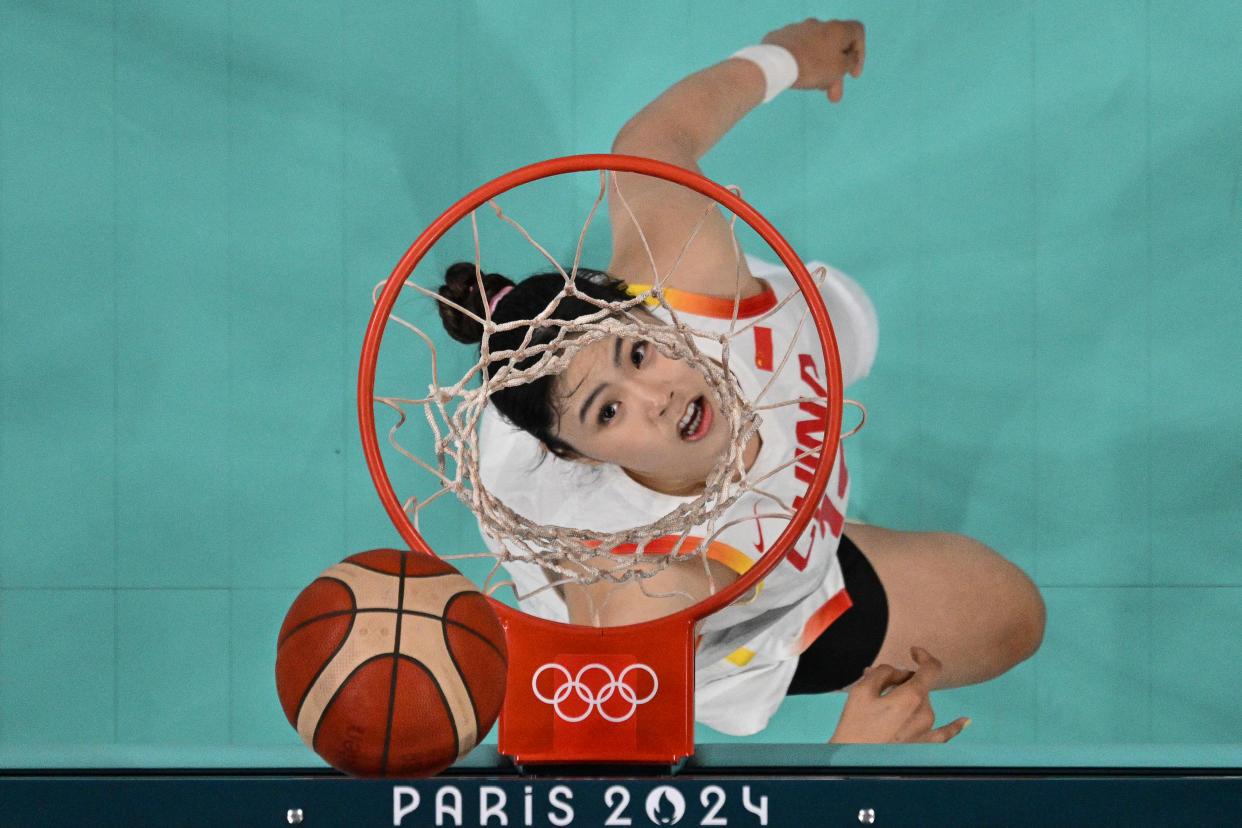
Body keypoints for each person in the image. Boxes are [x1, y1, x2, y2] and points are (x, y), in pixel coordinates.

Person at [436, 18, 1045, 743]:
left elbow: (650, 139)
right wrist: (849, 765)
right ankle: (779, 571)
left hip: (753, 502)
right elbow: (612, 790)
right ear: (578, 456)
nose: (656, 397)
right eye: (608, 414)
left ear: (643, 312)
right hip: (744, 618)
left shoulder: (693, 270)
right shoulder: (635, 596)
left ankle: (778, 513)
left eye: (637, 356)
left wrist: (789, 57)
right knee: (1008, 619)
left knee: (1011, 611)